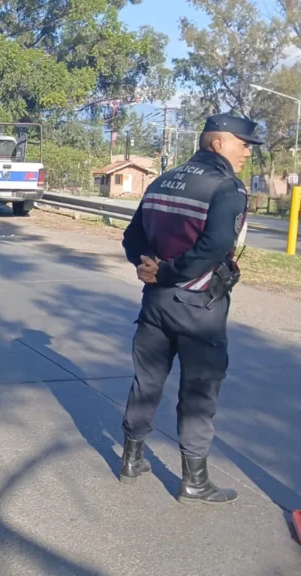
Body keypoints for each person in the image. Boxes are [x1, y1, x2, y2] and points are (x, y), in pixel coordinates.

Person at [119, 113, 261, 505]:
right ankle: (194, 481)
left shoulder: (164, 180)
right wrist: (166, 273)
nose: (247, 152)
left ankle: (131, 460)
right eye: (243, 144)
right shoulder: (226, 187)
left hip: (156, 303)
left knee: (147, 381)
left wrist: (148, 267)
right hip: (198, 305)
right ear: (217, 143)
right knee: (199, 392)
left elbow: (131, 237)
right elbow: (214, 247)